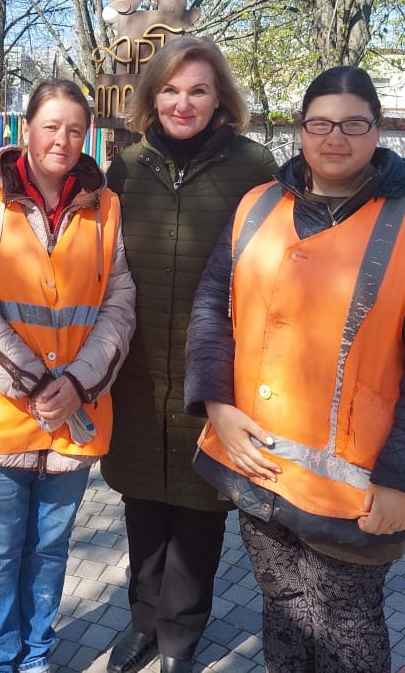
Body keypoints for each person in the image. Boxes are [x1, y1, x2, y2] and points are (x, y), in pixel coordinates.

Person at [185, 65, 405, 673]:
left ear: (378, 130)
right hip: (260, 470)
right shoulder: (257, 207)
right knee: (285, 610)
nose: (335, 138)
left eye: (353, 123)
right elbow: (214, 307)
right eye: (319, 123)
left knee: (346, 631)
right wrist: (218, 405)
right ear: (300, 129)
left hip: (356, 491)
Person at [0, 79, 137, 673]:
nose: (63, 139)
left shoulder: (107, 210)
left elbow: (119, 305)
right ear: (27, 130)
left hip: (73, 414)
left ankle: (37, 657)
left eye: (76, 128)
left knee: (48, 551)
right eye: (52, 126)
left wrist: (76, 383)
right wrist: (32, 381)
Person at [100, 36, 277, 673]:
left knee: (201, 515)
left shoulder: (255, 169)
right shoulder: (125, 168)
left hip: (214, 371)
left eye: (198, 89)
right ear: (151, 97)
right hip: (137, 371)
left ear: (220, 97)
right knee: (142, 506)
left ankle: (179, 637)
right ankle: (143, 622)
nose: (183, 102)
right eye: (171, 90)